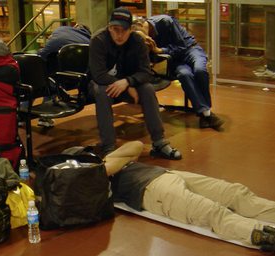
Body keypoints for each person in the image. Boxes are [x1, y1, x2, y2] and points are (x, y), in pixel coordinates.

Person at [101, 140, 275, 256]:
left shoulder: (100, 160)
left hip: (167, 174)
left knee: (234, 192)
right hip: (151, 192)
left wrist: (111, 157)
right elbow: (113, 165)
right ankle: (268, 236)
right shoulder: (88, 176)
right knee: (212, 212)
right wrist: (109, 161)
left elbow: (136, 145)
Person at [88, 7, 182, 159]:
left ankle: (159, 142)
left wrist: (128, 82)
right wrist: (123, 83)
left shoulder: (137, 41)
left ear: (130, 29)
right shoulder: (98, 40)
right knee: (102, 91)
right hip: (101, 83)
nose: (119, 35)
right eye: (114, 29)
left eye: (123, 30)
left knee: (147, 89)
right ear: (109, 27)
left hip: (126, 83)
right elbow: (98, 75)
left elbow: (146, 72)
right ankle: (108, 147)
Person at [132, 16, 224, 130]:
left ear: (142, 25)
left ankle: (204, 112)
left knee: (200, 70)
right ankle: (206, 114)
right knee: (184, 75)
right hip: (175, 59)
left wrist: (160, 50)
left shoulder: (165, 21)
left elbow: (181, 46)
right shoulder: (145, 39)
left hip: (191, 49)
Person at [33, 24, 91, 128]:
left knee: (39, 76)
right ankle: (44, 118)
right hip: (74, 79)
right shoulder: (89, 41)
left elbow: (42, 54)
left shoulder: (62, 29)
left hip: (53, 76)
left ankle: (21, 117)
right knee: (51, 76)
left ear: (75, 27)